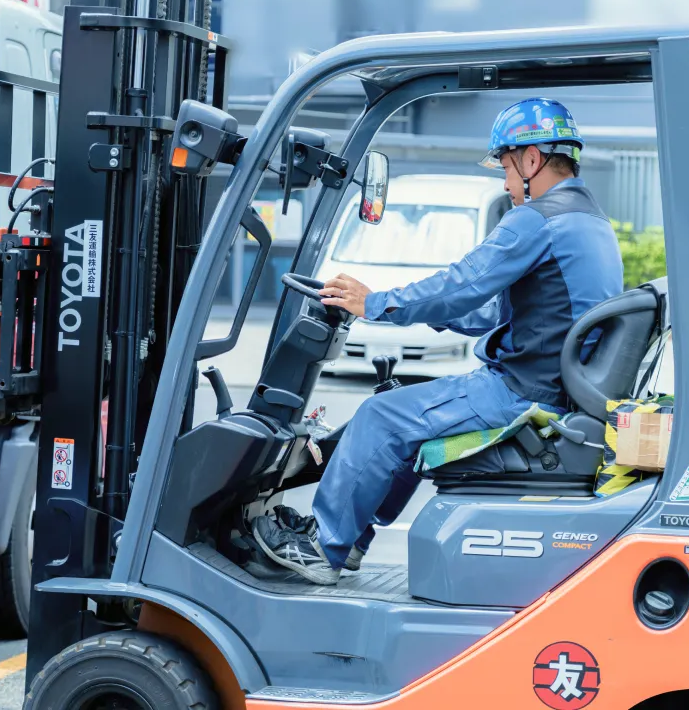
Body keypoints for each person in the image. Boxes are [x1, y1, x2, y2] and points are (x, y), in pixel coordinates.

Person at [249, 98, 625, 585]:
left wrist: (377, 302)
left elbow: (460, 283)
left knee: (380, 416)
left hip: (523, 391)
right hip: (552, 383)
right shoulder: (587, 219)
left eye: (507, 168)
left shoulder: (538, 219)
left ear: (532, 160)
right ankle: (351, 540)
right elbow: (498, 308)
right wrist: (432, 317)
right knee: (403, 413)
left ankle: (323, 545)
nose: (506, 183)